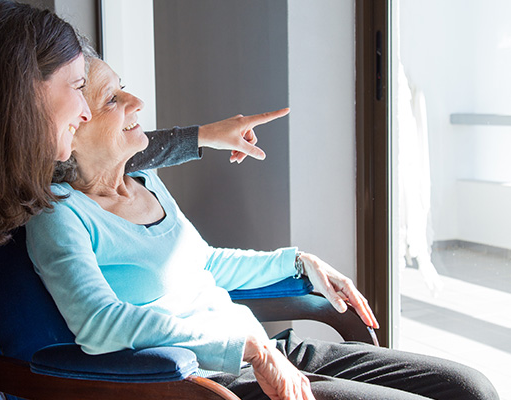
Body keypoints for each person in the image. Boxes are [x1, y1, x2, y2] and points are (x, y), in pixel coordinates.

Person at [0, 2, 284, 399]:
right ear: (22, 90)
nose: (84, 112)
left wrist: (204, 138)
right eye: (80, 88)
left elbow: (100, 149)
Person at [25, 57, 499, 400]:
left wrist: (298, 262)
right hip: (213, 380)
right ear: (71, 127)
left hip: (266, 349)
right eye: (112, 99)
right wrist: (248, 348)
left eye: (122, 86)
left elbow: (204, 264)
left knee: (471, 388)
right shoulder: (60, 215)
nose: (136, 101)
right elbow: (100, 326)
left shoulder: (145, 181)